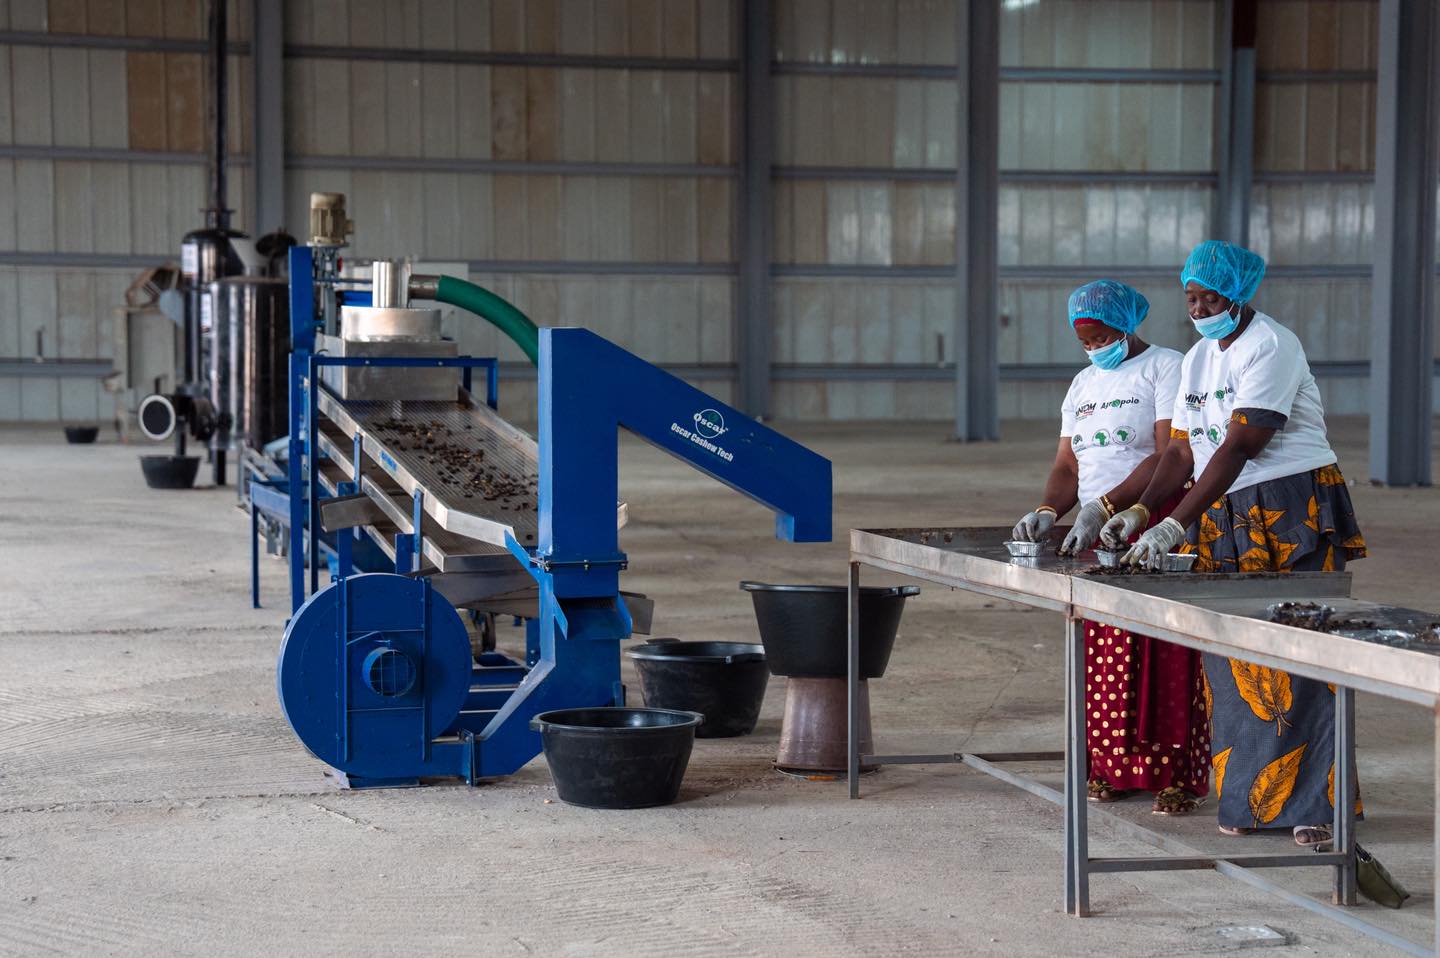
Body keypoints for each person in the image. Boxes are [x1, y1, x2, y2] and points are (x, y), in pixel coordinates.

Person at [1099, 240, 1367, 846]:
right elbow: (1180, 451)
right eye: (1190, 297)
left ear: (1238, 294)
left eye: (1210, 296)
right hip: (1226, 511)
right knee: (1233, 661)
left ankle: (1315, 809)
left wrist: (1179, 522)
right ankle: (1250, 801)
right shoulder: (1197, 359)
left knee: (1302, 658)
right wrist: (1138, 509)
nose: (1198, 308)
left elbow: (1241, 445)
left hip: (1289, 506)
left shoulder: (1271, 345)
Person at [1011, 279, 1209, 815]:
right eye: (1085, 342)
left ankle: (1177, 775)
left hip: (1152, 514)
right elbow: (1067, 464)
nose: (1094, 349)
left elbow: (1171, 453)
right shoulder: (1081, 385)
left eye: (1101, 338)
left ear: (1126, 326)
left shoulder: (1166, 366)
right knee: (1107, 647)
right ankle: (1113, 768)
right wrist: (1051, 510)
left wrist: (1111, 503)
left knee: (1166, 649)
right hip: (1098, 529)